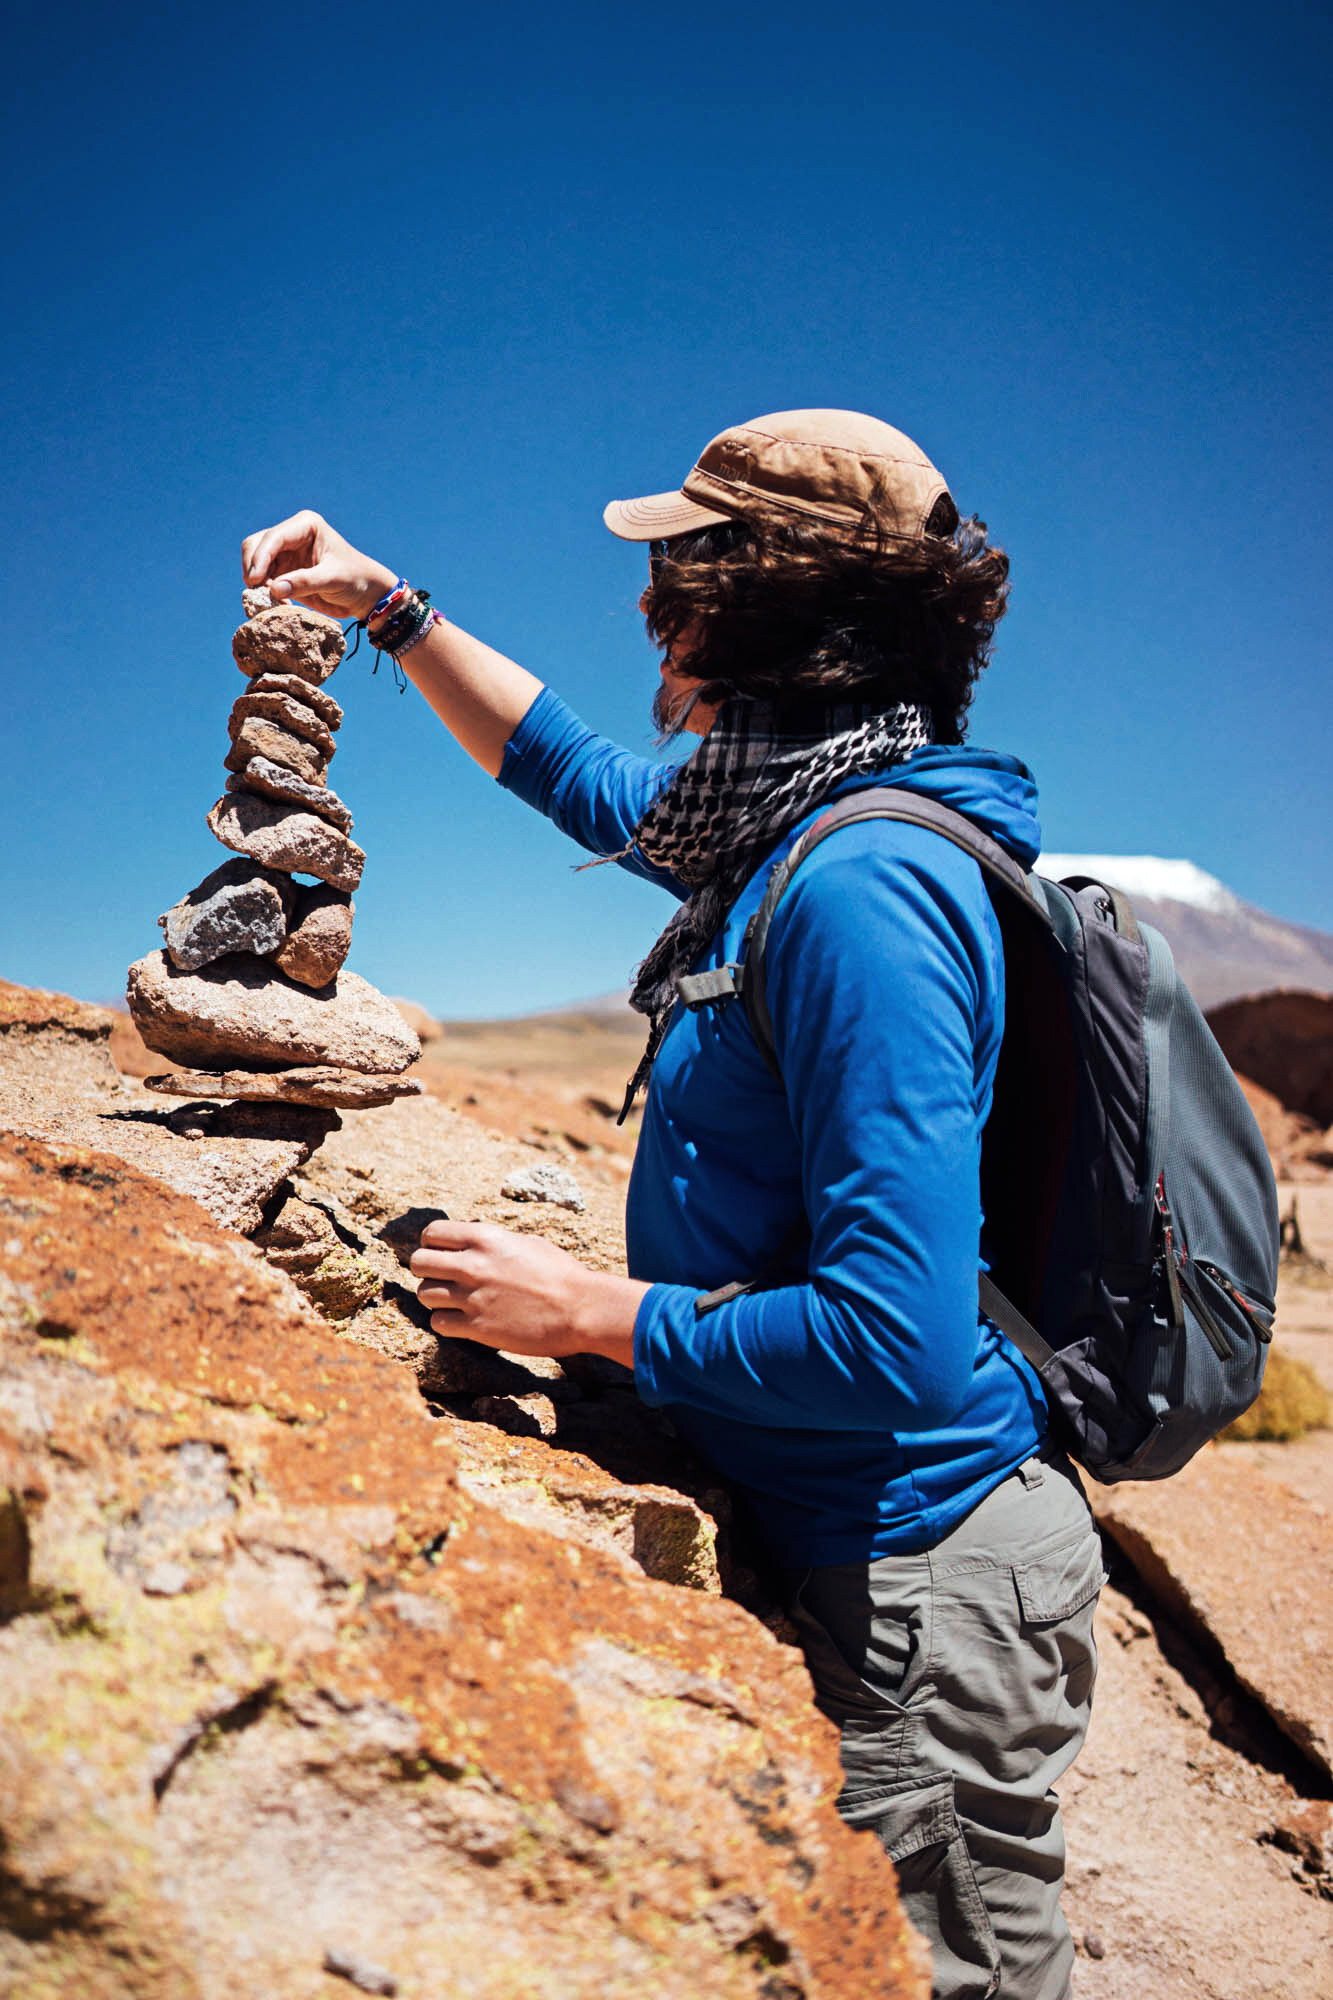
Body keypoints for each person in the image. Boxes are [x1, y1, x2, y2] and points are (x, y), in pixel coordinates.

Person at [242, 409, 1105, 2000]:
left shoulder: (858, 882)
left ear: (763, 607)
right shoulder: (773, 825)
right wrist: (388, 611)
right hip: (850, 1535)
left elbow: (895, 1343)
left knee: (951, 1976)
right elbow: (577, 774)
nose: (647, 613)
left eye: (679, 578)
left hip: (922, 1574)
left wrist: (588, 1316)